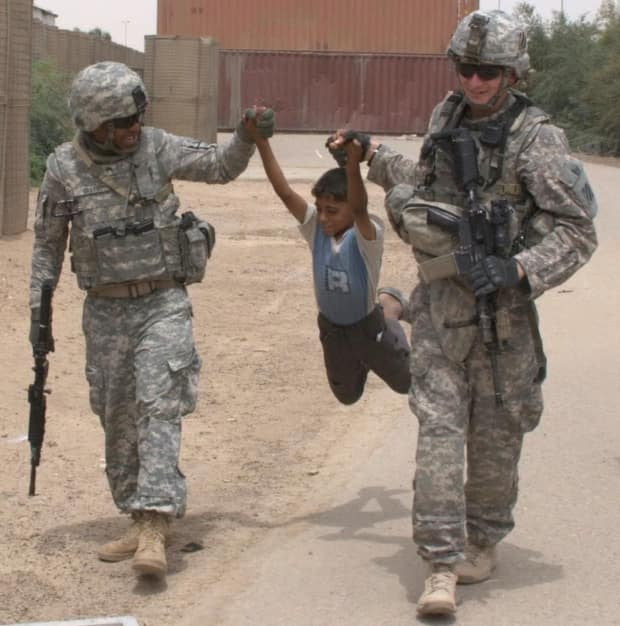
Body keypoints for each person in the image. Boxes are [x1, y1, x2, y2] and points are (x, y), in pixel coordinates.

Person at [327, 10, 597, 616]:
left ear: (513, 72)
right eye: (467, 69)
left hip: (504, 320)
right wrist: (371, 153)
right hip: (443, 313)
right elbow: (425, 181)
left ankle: (482, 538)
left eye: (489, 72)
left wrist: (519, 268)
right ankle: (440, 564)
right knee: (440, 439)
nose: (475, 82)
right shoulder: (445, 118)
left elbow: (579, 231)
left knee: (496, 446)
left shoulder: (538, 138)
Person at [28, 61, 274, 580]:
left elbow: (222, 167)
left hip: (163, 303)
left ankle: (157, 525)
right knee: (116, 415)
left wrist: (246, 135)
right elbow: (47, 249)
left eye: (137, 117)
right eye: (122, 123)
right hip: (106, 312)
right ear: (93, 124)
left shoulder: (158, 148)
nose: (133, 129)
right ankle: (138, 515)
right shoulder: (62, 169)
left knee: (158, 402)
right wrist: (38, 313)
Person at [243, 114, 411, 406]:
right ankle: (361, 358)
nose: (322, 217)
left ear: (349, 208)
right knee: (347, 396)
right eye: (319, 208)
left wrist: (352, 168)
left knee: (406, 382)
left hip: (368, 327)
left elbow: (360, 208)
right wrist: (261, 142)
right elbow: (284, 192)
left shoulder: (366, 238)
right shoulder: (316, 230)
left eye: (332, 211)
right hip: (332, 327)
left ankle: (391, 307)